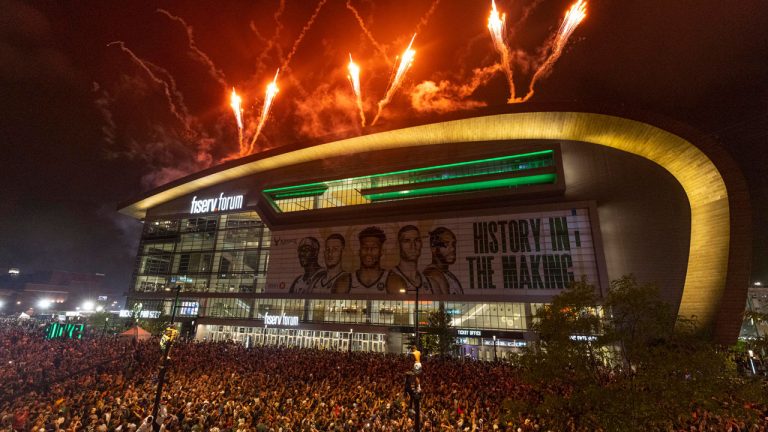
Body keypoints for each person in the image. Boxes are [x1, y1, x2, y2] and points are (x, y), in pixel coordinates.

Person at [386, 225, 432, 294]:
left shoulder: (430, 282)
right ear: (399, 245)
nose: (413, 246)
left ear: (421, 244)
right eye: (407, 241)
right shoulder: (391, 279)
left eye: (416, 240)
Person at [344, 227, 389, 293]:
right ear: (359, 251)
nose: (369, 252)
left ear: (382, 251)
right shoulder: (346, 281)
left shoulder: (392, 281)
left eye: (374, 248)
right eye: (365, 247)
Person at [423, 227, 464, 294]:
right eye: (446, 244)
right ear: (433, 248)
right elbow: (444, 303)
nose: (452, 249)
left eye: (453, 244)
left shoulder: (446, 274)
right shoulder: (434, 275)